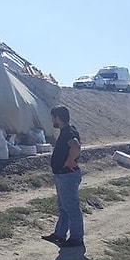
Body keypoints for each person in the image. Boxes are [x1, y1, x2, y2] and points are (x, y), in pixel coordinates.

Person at [42, 105, 84, 248]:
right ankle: (59, 235)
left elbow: (76, 146)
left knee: (71, 208)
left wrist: (70, 160)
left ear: (57, 117)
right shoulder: (67, 130)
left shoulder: (68, 132)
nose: (52, 120)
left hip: (67, 176)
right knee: (64, 207)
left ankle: (76, 238)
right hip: (63, 175)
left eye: (52, 117)